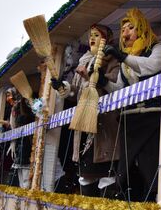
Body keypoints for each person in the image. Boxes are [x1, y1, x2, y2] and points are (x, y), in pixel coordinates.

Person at [51, 24, 120, 197]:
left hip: (103, 125)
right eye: (91, 35)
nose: (92, 38)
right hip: (84, 125)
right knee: (85, 175)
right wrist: (63, 88)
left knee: (105, 174)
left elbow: (114, 88)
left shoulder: (112, 60)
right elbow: (76, 92)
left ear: (107, 39)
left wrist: (90, 78)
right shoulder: (84, 61)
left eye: (97, 35)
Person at [101, 8, 161, 202]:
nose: (125, 33)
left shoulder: (157, 48)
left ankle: (153, 202)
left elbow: (151, 66)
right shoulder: (125, 60)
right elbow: (120, 90)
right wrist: (103, 82)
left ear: (142, 30)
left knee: (150, 163)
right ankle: (132, 202)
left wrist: (122, 57)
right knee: (126, 167)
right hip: (130, 120)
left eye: (131, 28)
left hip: (152, 116)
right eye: (123, 30)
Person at [5, 88, 35, 189]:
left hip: (26, 142)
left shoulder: (24, 105)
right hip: (19, 143)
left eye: (9, 95)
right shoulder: (14, 109)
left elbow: (28, 118)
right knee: (21, 176)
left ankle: (25, 196)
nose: (8, 99)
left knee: (26, 177)